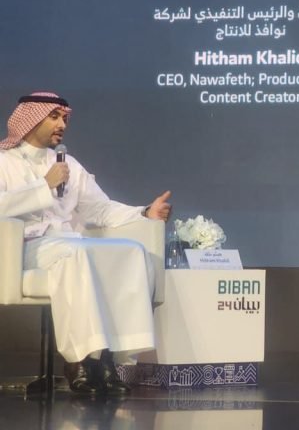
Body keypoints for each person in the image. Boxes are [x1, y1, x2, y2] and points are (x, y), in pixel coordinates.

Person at [0, 92, 172, 395]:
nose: (62, 125)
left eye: (65, 118)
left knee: (130, 252)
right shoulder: (4, 162)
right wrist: (44, 186)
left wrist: (144, 212)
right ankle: (78, 360)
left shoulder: (69, 164)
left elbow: (100, 209)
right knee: (75, 254)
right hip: (23, 246)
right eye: (54, 117)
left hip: (65, 242)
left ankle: (108, 357)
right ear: (31, 119)